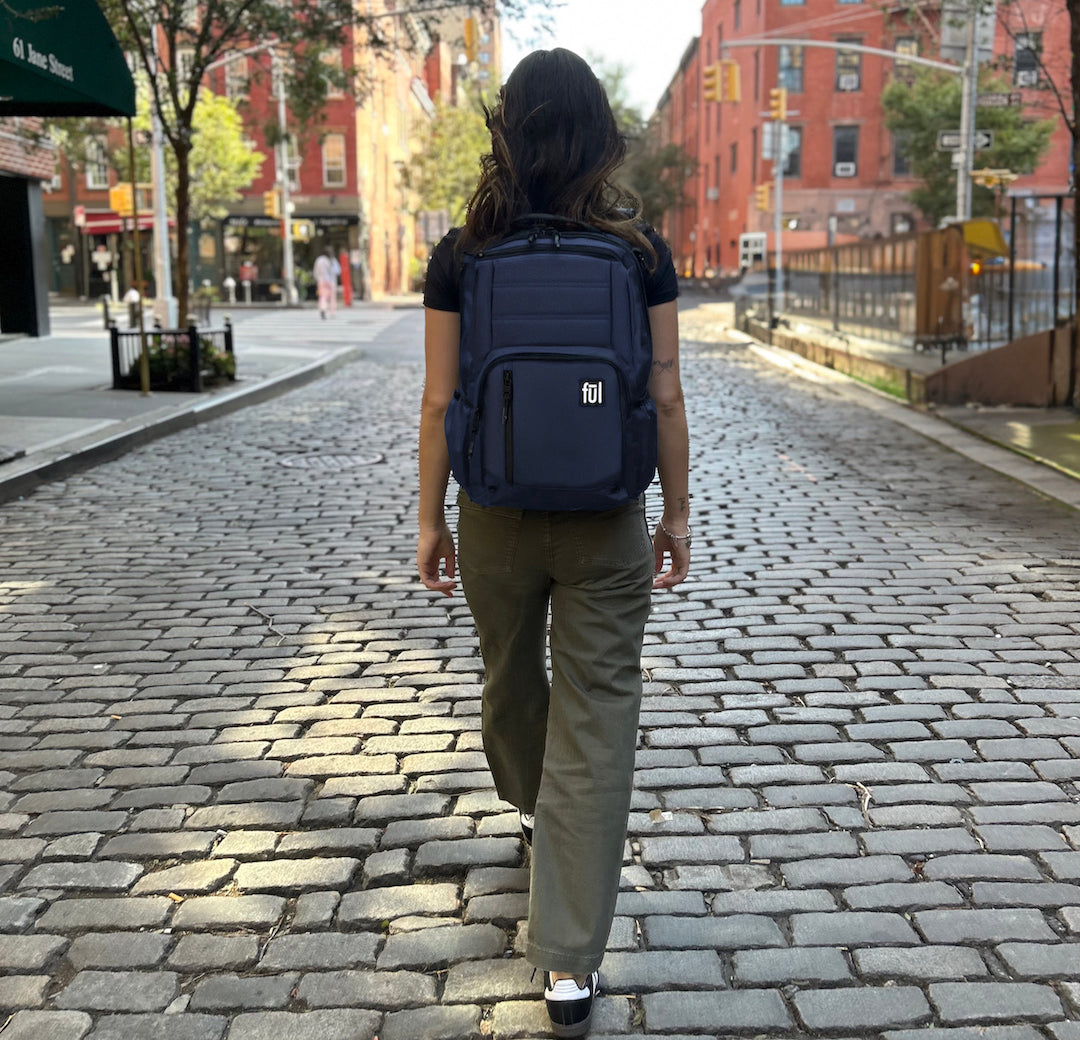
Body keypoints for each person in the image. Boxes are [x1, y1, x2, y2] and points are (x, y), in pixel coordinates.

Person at [417, 48, 690, 1039]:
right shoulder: (642, 253)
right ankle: (568, 963)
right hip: (608, 514)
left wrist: (427, 522)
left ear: (509, 129)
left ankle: (531, 804)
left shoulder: (460, 255)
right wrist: (679, 511)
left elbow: (441, 399)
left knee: (508, 680)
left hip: (492, 511)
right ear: (599, 135)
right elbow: (663, 393)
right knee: (599, 712)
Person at [313, 247, 337, 318]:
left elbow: (316, 271)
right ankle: (332, 312)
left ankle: (323, 308)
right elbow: (335, 271)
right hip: (330, 281)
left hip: (321, 281)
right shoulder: (331, 260)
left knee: (322, 296)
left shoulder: (319, 260)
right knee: (332, 297)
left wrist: (317, 278)